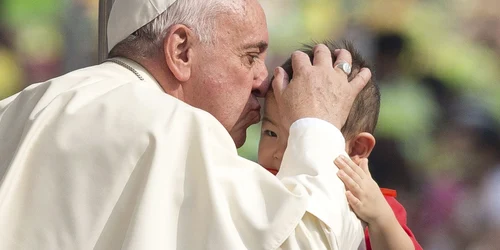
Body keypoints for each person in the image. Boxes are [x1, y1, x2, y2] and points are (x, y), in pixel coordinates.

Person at [0, 0, 373, 249]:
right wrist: (319, 124)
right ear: (181, 51)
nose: (262, 81)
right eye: (250, 56)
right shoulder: (176, 127)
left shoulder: (18, 107)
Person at [258, 40, 422, 250]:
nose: (280, 152)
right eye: (271, 133)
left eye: (301, 136)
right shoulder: (255, 181)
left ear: (356, 149)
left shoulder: (368, 204)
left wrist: (380, 219)